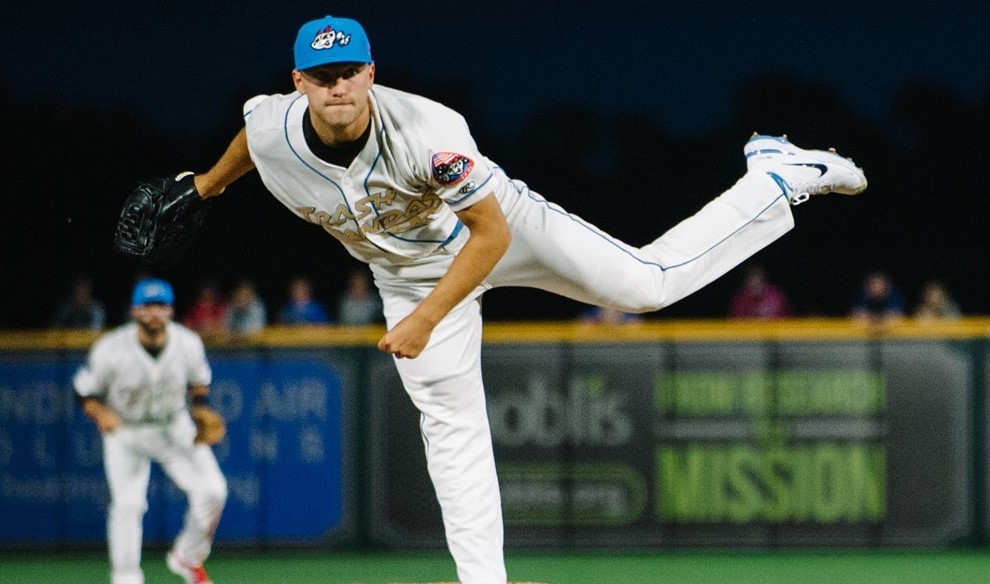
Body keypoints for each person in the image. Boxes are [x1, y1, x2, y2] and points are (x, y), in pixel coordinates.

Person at [176, 14, 867, 584]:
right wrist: (207, 185)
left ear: (370, 73)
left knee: (646, 286)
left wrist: (425, 318)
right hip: (406, 274)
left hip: (501, 230)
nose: (338, 88)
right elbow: (255, 137)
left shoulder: (427, 131)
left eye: (349, 72)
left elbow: (489, 234)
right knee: (449, 426)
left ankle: (776, 175)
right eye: (322, 77)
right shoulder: (273, 124)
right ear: (299, 83)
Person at [73, 278, 227, 584]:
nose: (154, 313)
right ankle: (127, 577)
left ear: (170, 311)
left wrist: (199, 409)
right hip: (126, 431)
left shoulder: (188, 343)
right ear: (134, 311)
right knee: (128, 504)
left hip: (173, 425)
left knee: (213, 490)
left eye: (161, 306)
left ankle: (187, 556)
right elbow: (83, 392)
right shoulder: (112, 348)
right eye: (147, 306)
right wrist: (101, 413)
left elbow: (199, 382)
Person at [728, 263, 793, 319]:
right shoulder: (740, 299)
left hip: (777, 331)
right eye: (751, 280)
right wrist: (753, 313)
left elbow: (788, 315)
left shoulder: (775, 295)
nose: (754, 284)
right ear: (745, 282)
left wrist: (769, 312)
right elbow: (735, 320)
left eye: (757, 280)